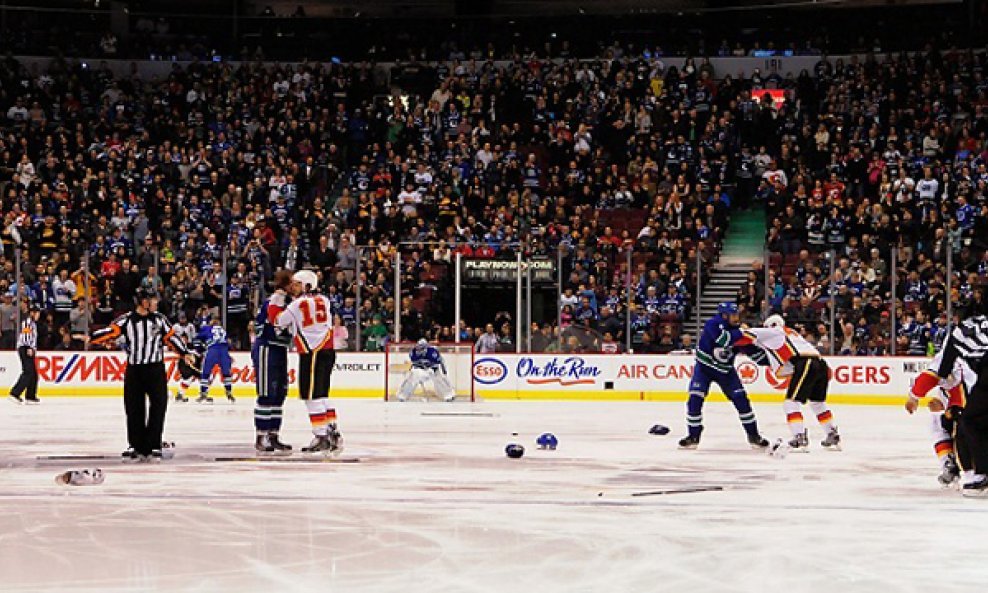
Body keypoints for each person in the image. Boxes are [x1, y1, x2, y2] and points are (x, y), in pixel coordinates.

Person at [89, 288, 191, 461]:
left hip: (155, 368)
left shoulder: (159, 319)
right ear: (143, 302)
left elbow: (170, 337)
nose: (155, 303)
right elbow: (108, 332)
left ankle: (153, 445)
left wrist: (184, 352)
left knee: (158, 406)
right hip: (135, 369)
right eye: (152, 300)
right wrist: (98, 338)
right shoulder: (126, 320)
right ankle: (136, 445)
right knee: (134, 407)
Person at [739, 315, 841, 452]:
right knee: (817, 402)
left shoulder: (774, 332)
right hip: (821, 364)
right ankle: (832, 434)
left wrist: (741, 328)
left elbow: (748, 335)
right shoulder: (791, 333)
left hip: (805, 363)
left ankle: (799, 438)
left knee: (791, 403)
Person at [677, 302, 769, 450]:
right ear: (724, 316)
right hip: (704, 369)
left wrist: (775, 360)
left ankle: (753, 435)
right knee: (695, 399)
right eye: (733, 315)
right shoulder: (713, 324)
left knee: (742, 401)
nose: (736, 318)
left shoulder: (737, 331)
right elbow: (724, 340)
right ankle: (693, 435)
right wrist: (743, 332)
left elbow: (755, 354)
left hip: (726, 372)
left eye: (737, 315)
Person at [275, 269, 343, 454]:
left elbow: (279, 321)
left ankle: (321, 435)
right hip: (327, 350)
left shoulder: (297, 304)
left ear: (306, 285)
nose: (292, 287)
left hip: (312, 353)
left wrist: (277, 303)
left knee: (311, 397)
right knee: (322, 395)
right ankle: (332, 431)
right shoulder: (325, 301)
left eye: (296, 284)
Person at [922, 315, 988, 496]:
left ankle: (976, 474)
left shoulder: (960, 337)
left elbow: (942, 371)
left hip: (977, 393)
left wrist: (914, 396)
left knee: (966, 425)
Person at [905, 345, 974, 486]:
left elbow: (930, 377)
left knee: (939, 423)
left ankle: (954, 466)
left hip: (970, 407)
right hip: (972, 403)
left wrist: (913, 397)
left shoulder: (954, 351)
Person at [252, 270, 294, 455]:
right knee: (267, 393)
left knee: (279, 393)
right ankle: (261, 436)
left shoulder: (286, 301)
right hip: (266, 347)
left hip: (279, 348)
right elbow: (276, 322)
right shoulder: (277, 299)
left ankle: (273, 435)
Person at [197, 316, 235, 404]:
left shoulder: (207, 328)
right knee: (226, 373)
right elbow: (228, 342)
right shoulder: (223, 330)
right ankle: (229, 392)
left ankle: (203, 392)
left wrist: (200, 349)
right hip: (223, 351)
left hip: (212, 350)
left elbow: (198, 338)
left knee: (206, 373)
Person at [8, 302, 40, 404]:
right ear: (32, 313)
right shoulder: (28, 323)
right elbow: (26, 337)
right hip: (25, 348)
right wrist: (30, 347)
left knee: (33, 374)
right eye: (37, 313)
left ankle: (30, 396)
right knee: (28, 372)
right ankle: (15, 393)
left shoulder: (33, 324)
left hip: (28, 348)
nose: (38, 315)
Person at [173, 334, 203, 403]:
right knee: (188, 377)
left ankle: (203, 394)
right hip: (183, 365)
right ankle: (180, 394)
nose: (183, 341)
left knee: (201, 378)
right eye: (182, 339)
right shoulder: (178, 346)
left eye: (184, 339)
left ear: (187, 340)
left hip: (193, 366)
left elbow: (198, 355)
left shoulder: (191, 346)